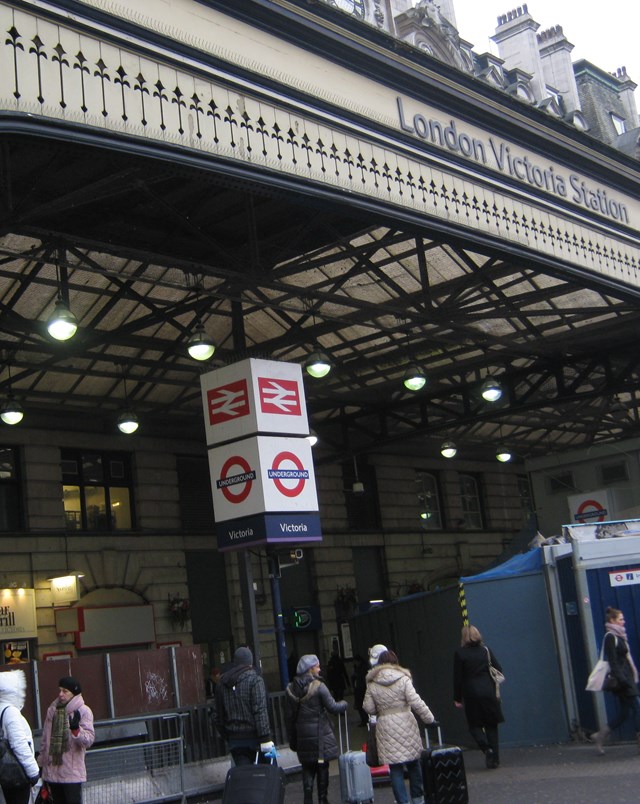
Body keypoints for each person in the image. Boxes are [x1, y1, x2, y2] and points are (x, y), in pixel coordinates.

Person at [363, 649, 435, 804]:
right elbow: (416, 701)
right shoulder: (403, 679)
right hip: (406, 724)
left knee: (395, 769)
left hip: (385, 727)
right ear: (395, 662)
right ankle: (418, 799)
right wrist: (429, 719)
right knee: (414, 763)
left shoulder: (372, 683)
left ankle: (403, 802)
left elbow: (368, 708)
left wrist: (381, 709)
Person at [285, 654, 347, 804]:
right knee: (322, 766)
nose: (320, 669)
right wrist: (344, 704)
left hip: (302, 735)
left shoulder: (291, 689)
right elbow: (333, 707)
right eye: (317, 666)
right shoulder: (319, 686)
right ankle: (322, 799)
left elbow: (289, 716)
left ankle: (307, 799)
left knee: (307, 766)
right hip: (319, 735)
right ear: (310, 668)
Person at [212, 646, 275, 766]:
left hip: (235, 739)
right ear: (250, 662)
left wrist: (227, 735)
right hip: (256, 738)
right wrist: (266, 738)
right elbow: (260, 711)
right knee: (267, 775)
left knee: (244, 778)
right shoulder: (255, 680)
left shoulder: (222, 683)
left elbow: (216, 715)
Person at [453, 624, 504, 769]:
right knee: (491, 725)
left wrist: (457, 698)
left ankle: (486, 749)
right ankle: (494, 760)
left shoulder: (460, 653)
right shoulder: (485, 651)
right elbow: (498, 668)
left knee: (474, 725)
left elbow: (457, 678)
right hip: (488, 691)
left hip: (471, 693)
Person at [39, 675, 95, 804]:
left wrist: (76, 730)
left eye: (65, 691)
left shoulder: (83, 711)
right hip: (52, 772)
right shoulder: (52, 710)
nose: (60, 694)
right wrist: (41, 765)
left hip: (71, 774)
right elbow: (45, 740)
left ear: (74, 694)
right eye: (60, 690)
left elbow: (89, 740)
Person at [591, 606, 640, 755]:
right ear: (612, 620)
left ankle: (600, 735)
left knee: (624, 713)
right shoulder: (611, 637)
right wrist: (623, 680)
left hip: (627, 678)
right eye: (621, 619)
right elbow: (612, 661)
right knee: (637, 708)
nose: (623, 622)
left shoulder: (620, 636)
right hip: (623, 681)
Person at [0, 669, 40, 804]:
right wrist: (33, 772)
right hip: (17, 774)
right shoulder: (11, 712)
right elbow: (19, 744)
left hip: (4, 773)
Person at [351, 654, 368, 726]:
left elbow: (362, 677)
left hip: (362, 688)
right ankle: (363, 720)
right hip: (358, 688)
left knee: (362, 705)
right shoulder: (357, 668)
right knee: (359, 705)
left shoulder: (363, 668)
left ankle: (365, 720)